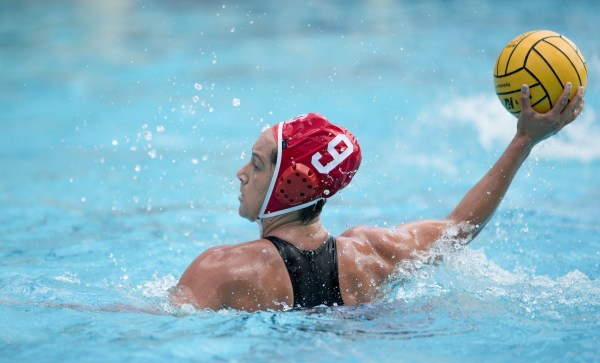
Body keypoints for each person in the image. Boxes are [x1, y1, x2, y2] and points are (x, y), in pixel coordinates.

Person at [171, 83, 585, 312]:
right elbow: (458, 229)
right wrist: (523, 141)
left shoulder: (221, 268)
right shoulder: (370, 254)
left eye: (257, 164)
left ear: (291, 184)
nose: (241, 174)